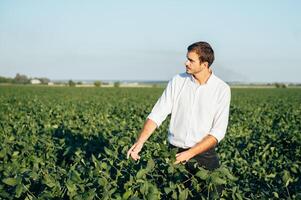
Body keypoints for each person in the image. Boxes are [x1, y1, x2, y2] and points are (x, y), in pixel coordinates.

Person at [127, 41, 231, 175]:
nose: (186, 63)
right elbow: (157, 114)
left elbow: (218, 132)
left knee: (213, 194)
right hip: (174, 153)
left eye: (191, 60)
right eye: (187, 59)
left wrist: (190, 153)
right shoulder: (178, 81)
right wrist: (140, 142)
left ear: (204, 64)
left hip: (204, 155)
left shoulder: (221, 89)